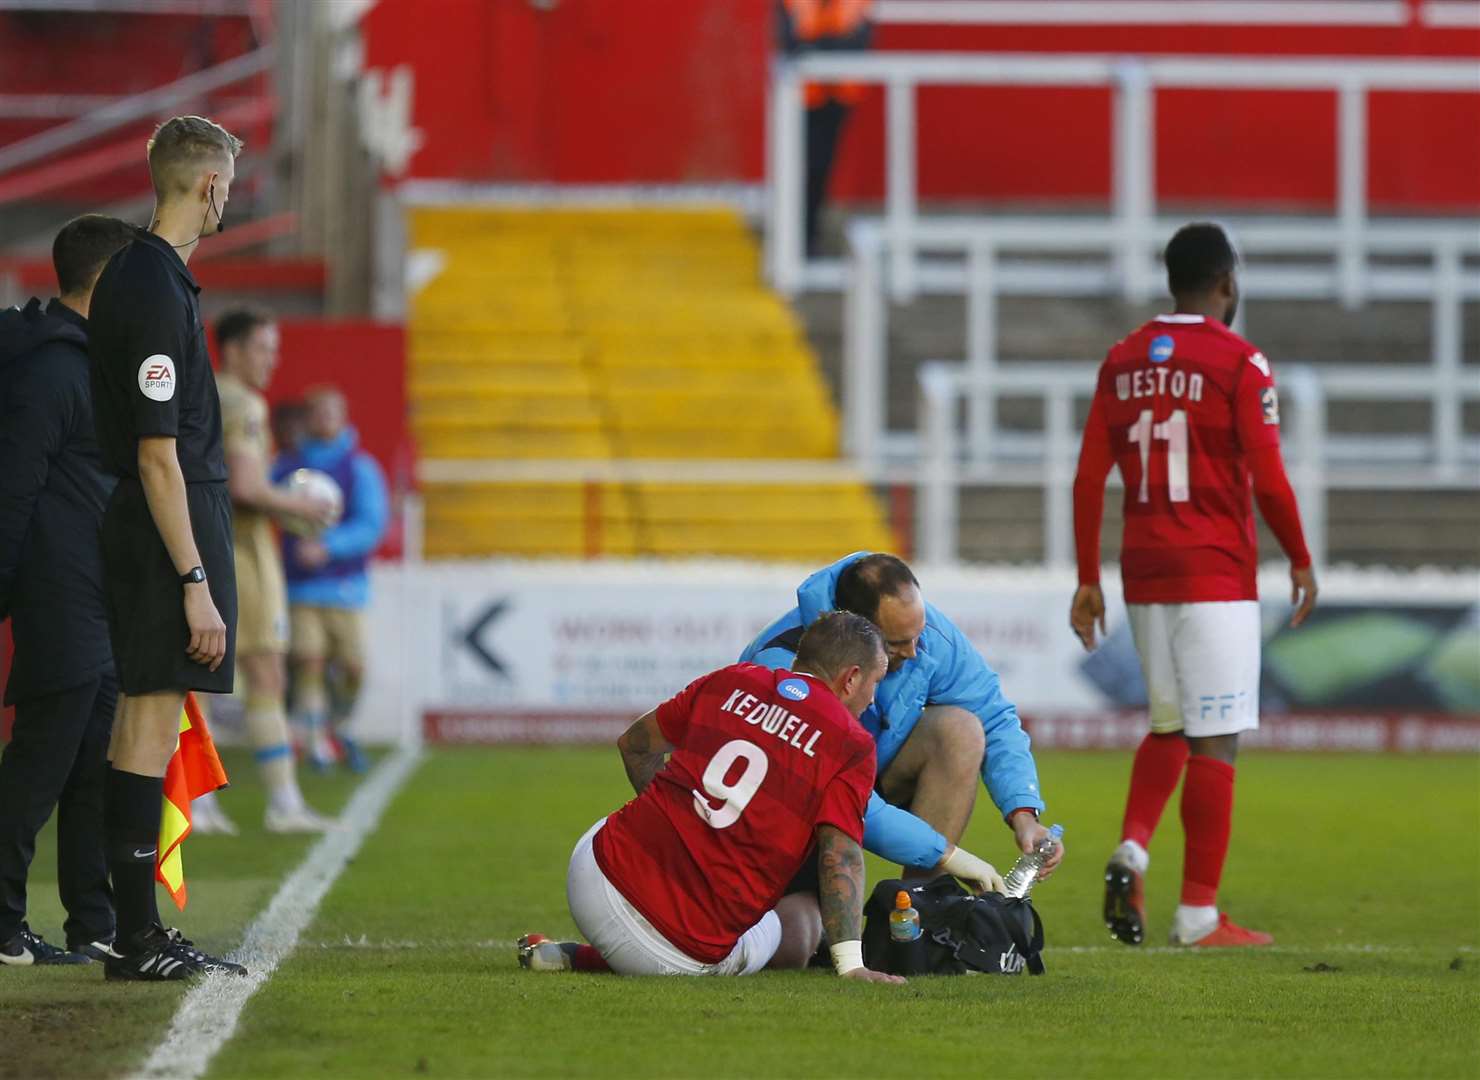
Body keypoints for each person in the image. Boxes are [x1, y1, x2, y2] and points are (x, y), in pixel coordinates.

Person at [1070, 221, 1318, 949]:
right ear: (1227, 283)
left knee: (1169, 726)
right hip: (1214, 570)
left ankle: (1133, 849)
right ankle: (1199, 915)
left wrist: (1088, 578)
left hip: (1143, 571)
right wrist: (1300, 557)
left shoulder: (1120, 361)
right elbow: (1268, 476)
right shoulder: (1241, 362)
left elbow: (1089, 477)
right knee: (1217, 742)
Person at [86, 114, 251, 980]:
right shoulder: (152, 284)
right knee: (147, 723)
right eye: (228, 183)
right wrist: (194, 577)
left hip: (167, 523)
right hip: (165, 533)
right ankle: (137, 938)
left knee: (145, 722)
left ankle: (135, 931)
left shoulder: (150, 278)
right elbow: (158, 453)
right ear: (208, 184)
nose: (230, 197)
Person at [520, 611, 904, 983]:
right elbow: (841, 854)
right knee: (797, 920)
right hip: (672, 951)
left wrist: (681, 821)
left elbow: (633, 744)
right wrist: (852, 964)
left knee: (633, 828)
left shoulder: (733, 679)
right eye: (876, 682)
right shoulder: (851, 744)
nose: (873, 699)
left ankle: (570, 952)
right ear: (851, 679)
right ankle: (586, 958)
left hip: (592, 877)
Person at [742, 553, 1063, 902]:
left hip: (862, 779)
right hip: (788, 804)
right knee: (797, 937)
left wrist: (1023, 813)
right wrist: (951, 856)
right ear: (857, 633)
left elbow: (994, 716)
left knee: (960, 731)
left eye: (917, 634)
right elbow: (838, 792)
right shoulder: (782, 665)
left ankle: (919, 912)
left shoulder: (926, 636)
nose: (914, 652)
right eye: (896, 644)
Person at [0, 215, 134, 966]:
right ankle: (1, 921)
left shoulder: (87, 362)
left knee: (93, 766)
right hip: (59, 593)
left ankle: (94, 923)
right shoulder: (51, 369)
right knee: (42, 763)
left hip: (98, 593)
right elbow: (13, 487)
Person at [193, 308, 336, 835]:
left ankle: (201, 805)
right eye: (262, 349)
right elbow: (247, 488)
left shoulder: (201, 393)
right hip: (240, 553)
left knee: (204, 679)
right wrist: (302, 507)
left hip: (209, 548)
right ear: (231, 348)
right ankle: (280, 804)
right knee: (262, 673)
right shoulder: (244, 403)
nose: (272, 361)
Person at [272, 386, 389, 773]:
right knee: (308, 660)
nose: (324, 419)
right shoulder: (285, 466)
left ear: (344, 417)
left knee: (354, 667)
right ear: (307, 418)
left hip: (346, 588)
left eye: (331, 412)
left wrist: (329, 546)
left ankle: (342, 726)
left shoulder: (360, 467)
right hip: (300, 586)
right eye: (317, 412)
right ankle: (315, 740)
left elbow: (372, 524)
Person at [777, 0, 873, 256]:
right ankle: (797, 235)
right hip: (802, 97)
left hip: (838, 95)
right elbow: (787, 40)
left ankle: (810, 234)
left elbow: (859, 41)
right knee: (799, 167)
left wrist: (817, 46)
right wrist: (828, 45)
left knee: (822, 166)